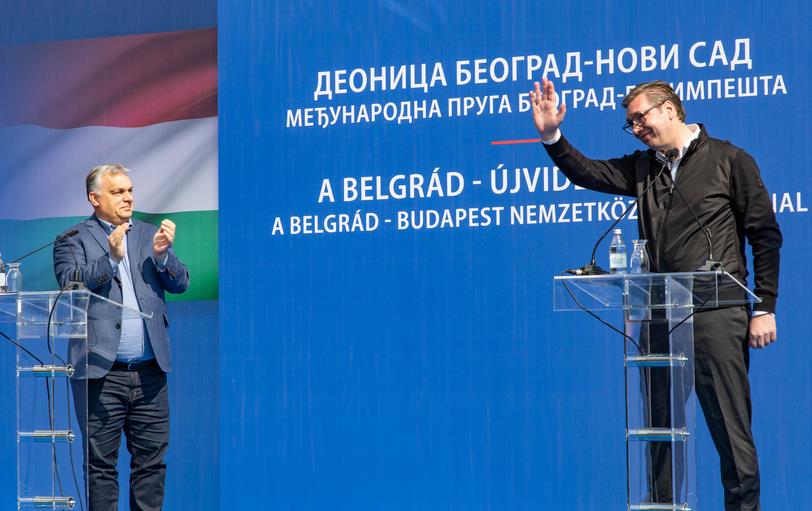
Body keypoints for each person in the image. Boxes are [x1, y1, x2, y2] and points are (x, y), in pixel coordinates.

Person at [531, 78, 781, 511]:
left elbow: (765, 237)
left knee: (731, 436)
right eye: (630, 124)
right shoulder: (645, 168)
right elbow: (588, 171)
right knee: (660, 435)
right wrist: (552, 136)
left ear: (670, 109)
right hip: (661, 318)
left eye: (640, 118)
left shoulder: (730, 160)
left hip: (716, 315)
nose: (637, 129)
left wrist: (765, 307)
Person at [53, 163, 189, 511]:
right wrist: (111, 258)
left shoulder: (147, 234)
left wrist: (163, 258)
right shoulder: (72, 239)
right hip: (101, 372)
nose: (128, 197)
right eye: (118, 191)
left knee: (151, 465)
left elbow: (180, 282)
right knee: (101, 468)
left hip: (150, 374)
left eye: (130, 190)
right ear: (94, 198)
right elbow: (71, 284)